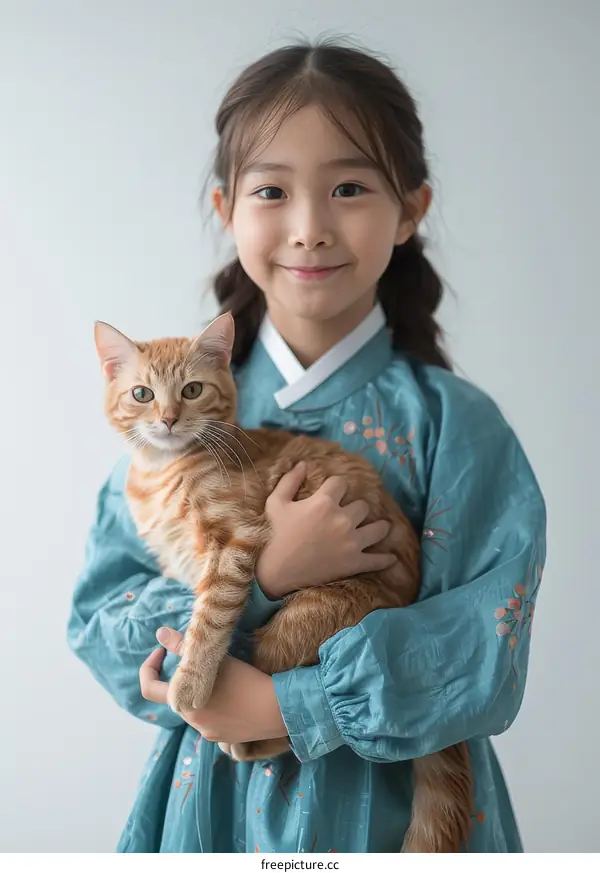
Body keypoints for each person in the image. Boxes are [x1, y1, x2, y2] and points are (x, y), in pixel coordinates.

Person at [67, 40, 546, 853]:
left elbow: (485, 646)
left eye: (350, 187)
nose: (310, 227)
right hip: (217, 793)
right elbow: (100, 621)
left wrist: (295, 706)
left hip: (389, 801)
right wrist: (262, 577)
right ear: (228, 210)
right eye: (272, 190)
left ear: (411, 208)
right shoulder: (173, 422)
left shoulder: (454, 422)